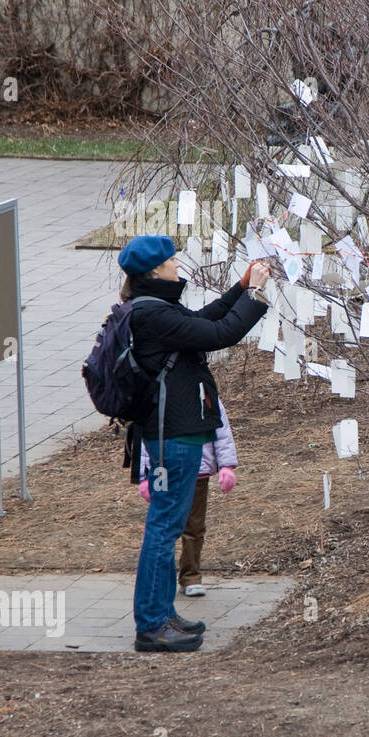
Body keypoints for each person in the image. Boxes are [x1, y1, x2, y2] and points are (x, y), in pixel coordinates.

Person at [118, 234, 270, 652]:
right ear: (155, 271)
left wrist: (240, 289)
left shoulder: (155, 308)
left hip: (179, 435)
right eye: (172, 261)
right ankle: (151, 626)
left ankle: (163, 614)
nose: (178, 266)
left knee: (165, 528)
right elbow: (220, 333)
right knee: (164, 530)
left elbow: (203, 323)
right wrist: (255, 294)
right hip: (175, 440)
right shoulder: (152, 316)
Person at [138, 397, 238, 597]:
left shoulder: (205, 394)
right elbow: (145, 436)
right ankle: (160, 578)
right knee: (163, 525)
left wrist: (226, 465)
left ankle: (191, 576)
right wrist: (144, 475)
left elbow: (221, 430)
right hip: (161, 470)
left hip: (196, 472)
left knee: (194, 526)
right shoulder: (156, 394)